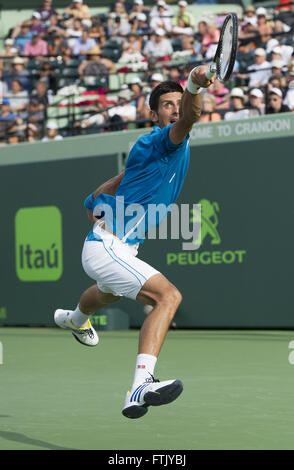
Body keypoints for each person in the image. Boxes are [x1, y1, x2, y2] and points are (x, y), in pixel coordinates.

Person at [54, 64, 215, 419]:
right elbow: (190, 118)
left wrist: (104, 204)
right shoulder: (158, 139)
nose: (176, 108)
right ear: (154, 113)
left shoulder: (146, 156)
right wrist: (193, 85)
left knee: (106, 292)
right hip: (107, 246)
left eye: (178, 102)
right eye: (168, 104)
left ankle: (75, 320)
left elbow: (92, 199)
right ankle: (141, 384)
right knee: (168, 296)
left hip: (112, 246)